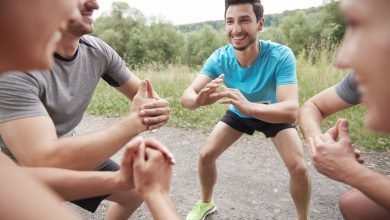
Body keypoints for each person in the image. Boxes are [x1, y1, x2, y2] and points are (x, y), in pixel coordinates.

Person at [0, 0, 172, 219]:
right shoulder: (12, 72)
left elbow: (145, 96)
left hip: (62, 151)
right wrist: (134, 122)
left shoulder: (96, 50)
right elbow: (43, 160)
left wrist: (155, 108)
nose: (94, 4)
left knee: (134, 190)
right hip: (19, 167)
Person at [181, 0, 311, 219]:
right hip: (240, 112)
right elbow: (187, 95)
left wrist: (251, 107)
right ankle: (206, 203)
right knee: (205, 156)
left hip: (273, 113)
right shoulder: (220, 57)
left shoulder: (280, 55)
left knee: (299, 169)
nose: (236, 29)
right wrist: (197, 101)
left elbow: (290, 110)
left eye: (244, 20)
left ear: (260, 24)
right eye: (230, 21)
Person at [298, 0, 390, 219]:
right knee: (355, 204)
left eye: (359, 24)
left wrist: (352, 172)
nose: (342, 59)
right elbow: (312, 106)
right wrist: (319, 143)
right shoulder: (363, 76)